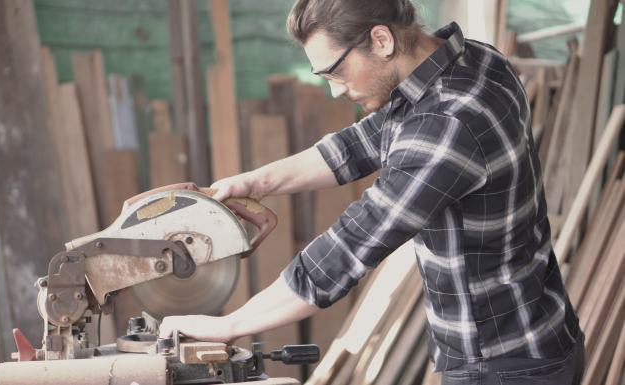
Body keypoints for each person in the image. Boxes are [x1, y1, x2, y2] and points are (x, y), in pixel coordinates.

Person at [159, 0, 584, 383]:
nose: (335, 89)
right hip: (537, 331)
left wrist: (228, 325)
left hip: (501, 365)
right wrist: (255, 183)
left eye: (335, 71)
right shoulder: (474, 61)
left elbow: (347, 249)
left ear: (381, 40)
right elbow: (360, 144)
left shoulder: (447, 125)